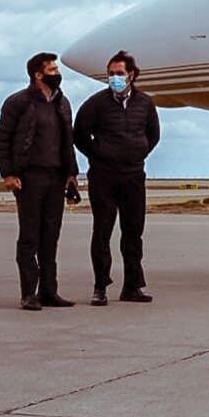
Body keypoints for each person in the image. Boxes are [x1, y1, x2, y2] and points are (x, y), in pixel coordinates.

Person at [74, 50, 161, 306]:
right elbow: (79, 134)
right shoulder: (95, 103)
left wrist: (139, 151)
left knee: (133, 233)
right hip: (104, 176)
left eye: (119, 74)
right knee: (102, 231)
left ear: (131, 75)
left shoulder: (145, 103)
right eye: (111, 74)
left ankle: (132, 286)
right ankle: (100, 286)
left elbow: (153, 134)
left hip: (134, 175)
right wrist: (99, 155)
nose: (114, 78)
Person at [0, 52, 79, 311]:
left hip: (56, 177)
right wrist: (8, 173)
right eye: (52, 70)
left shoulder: (62, 103)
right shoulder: (18, 102)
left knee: (50, 236)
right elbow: (2, 139)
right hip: (29, 177)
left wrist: (72, 174)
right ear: (37, 74)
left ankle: (49, 292)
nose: (57, 74)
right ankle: (28, 293)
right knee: (30, 236)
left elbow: (68, 141)